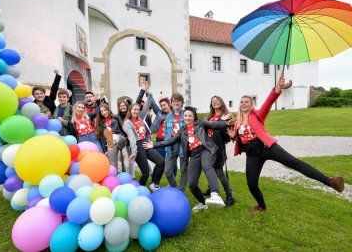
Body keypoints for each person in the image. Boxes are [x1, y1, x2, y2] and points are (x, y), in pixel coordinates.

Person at [227, 73, 345, 213]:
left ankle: (330, 182)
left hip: (267, 147)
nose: (244, 103)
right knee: (251, 184)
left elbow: (269, 102)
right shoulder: (237, 121)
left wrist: (277, 88)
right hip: (252, 155)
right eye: (242, 102)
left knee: (295, 163)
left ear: (252, 104)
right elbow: (239, 138)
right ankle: (262, 206)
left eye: (247, 101)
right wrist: (234, 136)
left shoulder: (257, 114)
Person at [144, 106, 231, 212]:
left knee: (207, 166)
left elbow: (213, 124)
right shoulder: (183, 131)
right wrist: (154, 145)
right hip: (194, 154)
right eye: (185, 116)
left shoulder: (201, 123)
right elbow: (171, 140)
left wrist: (225, 123)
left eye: (190, 116)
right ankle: (203, 203)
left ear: (194, 117)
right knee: (192, 184)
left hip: (206, 149)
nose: (187, 118)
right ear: (183, 117)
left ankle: (215, 194)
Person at [122, 97, 165, 190]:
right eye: (134, 109)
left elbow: (145, 108)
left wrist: (149, 94)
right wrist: (134, 153)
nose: (136, 111)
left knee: (161, 162)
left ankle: (155, 185)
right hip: (137, 146)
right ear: (130, 110)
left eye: (138, 110)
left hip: (145, 143)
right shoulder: (127, 123)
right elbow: (132, 139)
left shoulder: (140, 118)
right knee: (145, 173)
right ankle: (140, 190)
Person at [203, 96, 236, 207]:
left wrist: (223, 121)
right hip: (207, 148)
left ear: (221, 102)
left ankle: (230, 196)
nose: (215, 103)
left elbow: (226, 136)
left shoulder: (226, 117)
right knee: (209, 169)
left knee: (219, 172)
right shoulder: (210, 116)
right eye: (213, 101)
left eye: (217, 101)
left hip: (217, 148)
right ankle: (211, 188)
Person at [163, 92, 187, 192]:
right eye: (174, 101)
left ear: (182, 103)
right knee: (167, 171)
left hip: (183, 145)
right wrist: (166, 142)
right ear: (171, 103)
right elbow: (166, 131)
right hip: (171, 145)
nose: (176, 103)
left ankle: (181, 190)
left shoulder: (186, 114)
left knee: (183, 170)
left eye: (178, 101)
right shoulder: (168, 116)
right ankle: (173, 186)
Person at [95, 103, 127, 170]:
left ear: (108, 110)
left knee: (112, 137)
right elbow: (102, 138)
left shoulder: (115, 117)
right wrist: (105, 150)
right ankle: (115, 174)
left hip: (120, 139)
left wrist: (127, 138)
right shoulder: (101, 123)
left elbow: (123, 128)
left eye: (105, 110)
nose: (104, 112)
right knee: (113, 161)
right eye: (102, 111)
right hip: (110, 143)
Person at [116, 100, 131, 173]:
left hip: (131, 138)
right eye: (121, 106)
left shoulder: (130, 115)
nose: (122, 107)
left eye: (124, 105)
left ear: (127, 106)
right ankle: (123, 172)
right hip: (123, 139)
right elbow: (118, 128)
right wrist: (124, 137)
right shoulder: (117, 116)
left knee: (130, 156)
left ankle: (130, 173)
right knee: (122, 156)